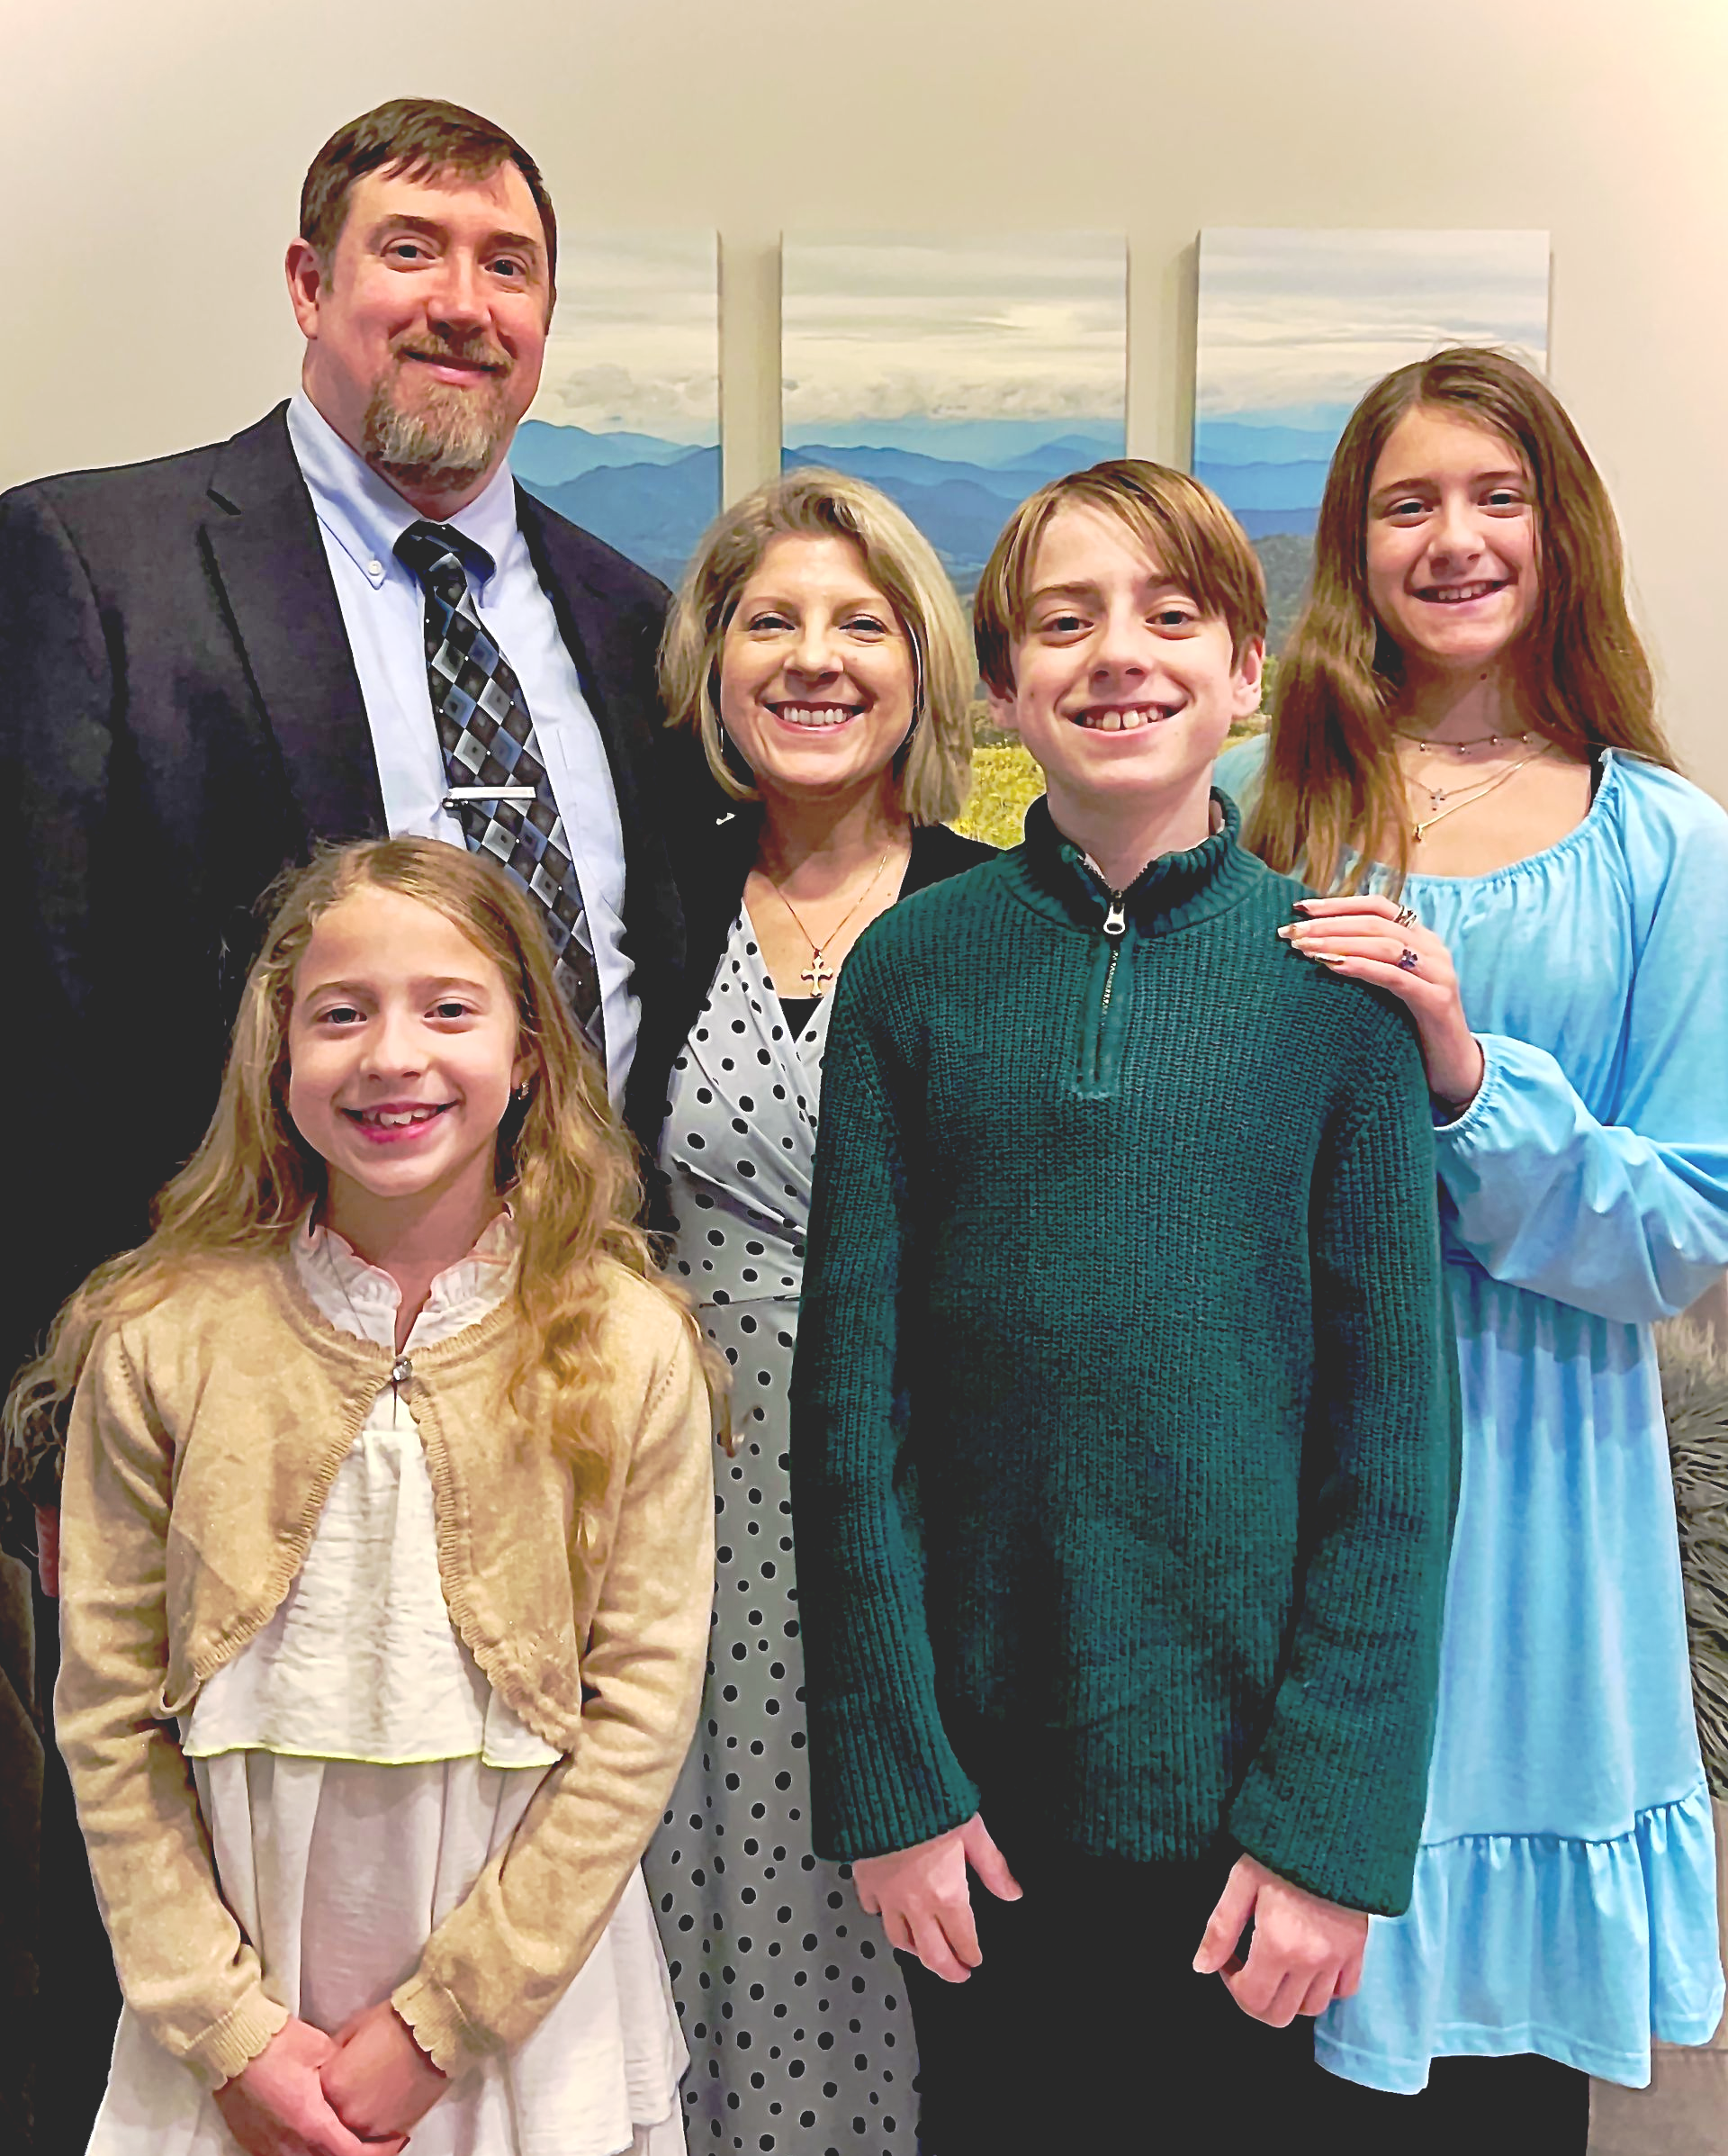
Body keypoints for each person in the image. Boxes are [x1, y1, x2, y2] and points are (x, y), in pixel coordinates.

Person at [0, 97, 706, 2140]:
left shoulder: (628, 615)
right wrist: (47, 1425)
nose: (462, 301)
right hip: (223, 1422)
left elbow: (649, 1000)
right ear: (310, 283)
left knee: (540, 1949)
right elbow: (32, 1007)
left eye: (508, 265)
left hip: (557, 1397)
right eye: (412, 249)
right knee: (215, 1960)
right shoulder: (95, 560)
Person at [788, 460, 1458, 2154]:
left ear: (1247, 669)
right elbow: (850, 1413)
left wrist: (1327, 1826)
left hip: (1247, 1821)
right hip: (976, 1805)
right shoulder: (912, 972)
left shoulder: (1336, 986)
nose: (1119, 655)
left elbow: (1393, 1449)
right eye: (1063, 622)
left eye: (1171, 614)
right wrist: (893, 1776)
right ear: (1003, 688)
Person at [4, 835, 716, 2156]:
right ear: (277, 1058)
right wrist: (228, 2034)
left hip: (521, 2024)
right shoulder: (160, 1337)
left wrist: (446, 2022)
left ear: (529, 1054)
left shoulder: (628, 1344)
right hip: (240, 2015)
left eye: (449, 1009)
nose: (393, 1055)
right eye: (341, 1014)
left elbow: (640, 1714)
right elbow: (107, 1714)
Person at [1217, 345, 1728, 2153]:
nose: (1455, 540)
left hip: (1540, 1502)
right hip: (1278, 1481)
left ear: (1559, 528)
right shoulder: (1255, 801)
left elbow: (1681, 1234)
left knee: (1491, 2103)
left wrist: (1467, 1078)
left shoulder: (1669, 846)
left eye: (1497, 497)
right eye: (1408, 503)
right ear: (1352, 544)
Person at [639, 470, 991, 2156]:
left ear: (924, 662)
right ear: (712, 665)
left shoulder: (1002, 905)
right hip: (674, 1505)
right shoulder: (649, 897)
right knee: (679, 1894)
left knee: (915, 1918)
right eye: (768, 621)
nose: (814, 658)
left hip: (929, 1506)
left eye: (862, 623)